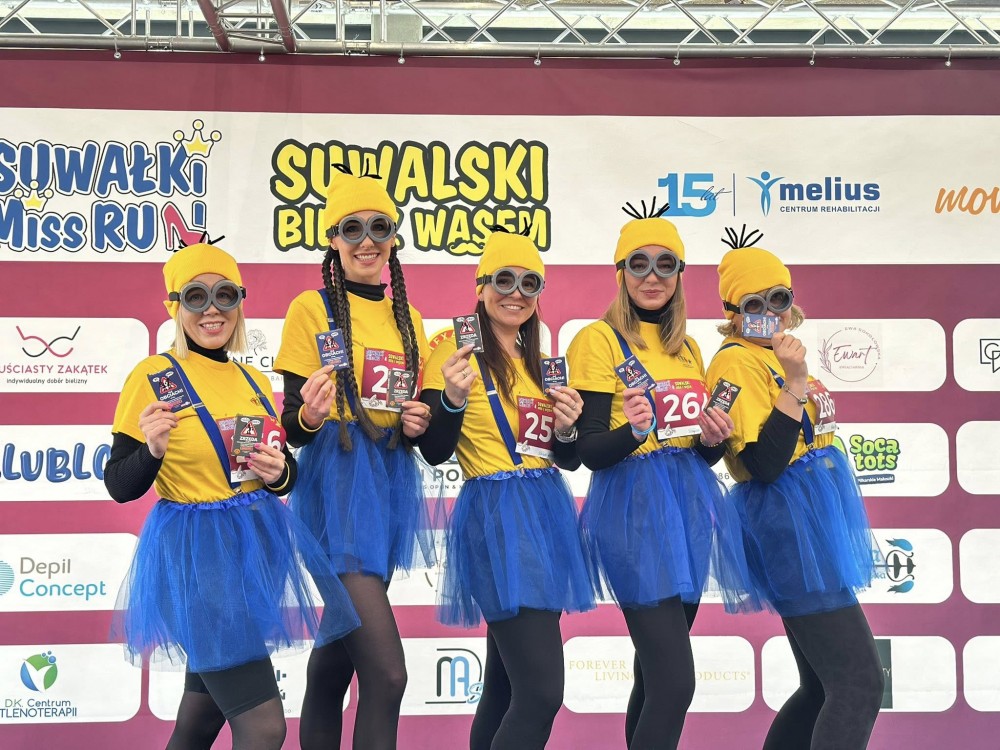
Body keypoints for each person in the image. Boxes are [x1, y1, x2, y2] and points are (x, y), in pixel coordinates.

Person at [105, 239, 359, 750]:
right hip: (200, 566)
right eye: (195, 296)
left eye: (224, 295)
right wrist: (152, 450)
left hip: (252, 561)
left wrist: (277, 472)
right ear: (175, 306)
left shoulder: (251, 377)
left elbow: (281, 472)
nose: (212, 310)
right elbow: (120, 485)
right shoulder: (153, 376)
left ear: (240, 302)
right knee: (263, 726)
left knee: (199, 720)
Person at [566, 200, 748, 750]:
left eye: (665, 264)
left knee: (652, 678)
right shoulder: (597, 340)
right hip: (631, 519)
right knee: (674, 684)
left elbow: (694, 453)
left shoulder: (687, 347)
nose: (652, 276)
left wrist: (711, 441)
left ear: (680, 274)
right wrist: (634, 431)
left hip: (688, 517)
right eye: (638, 263)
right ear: (620, 272)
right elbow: (589, 451)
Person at [274, 166, 433, 750]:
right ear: (333, 239)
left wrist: (416, 423)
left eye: (379, 227)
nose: (367, 240)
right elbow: (292, 424)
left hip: (389, 482)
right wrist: (311, 416)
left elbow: (405, 411)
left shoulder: (409, 319)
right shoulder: (310, 309)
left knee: (335, 660)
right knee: (387, 675)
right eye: (352, 228)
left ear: (394, 236)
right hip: (337, 484)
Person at [705, 225, 883, 750]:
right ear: (733, 313)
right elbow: (762, 464)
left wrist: (795, 375)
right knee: (858, 684)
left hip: (812, 521)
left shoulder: (775, 355)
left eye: (778, 299)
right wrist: (797, 382)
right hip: (787, 526)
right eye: (752, 304)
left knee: (821, 687)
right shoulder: (735, 360)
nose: (769, 313)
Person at [419, 227, 594, 750]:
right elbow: (434, 449)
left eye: (529, 282)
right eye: (504, 279)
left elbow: (566, 458)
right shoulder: (452, 348)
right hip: (498, 518)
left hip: (545, 515)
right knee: (541, 693)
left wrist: (568, 429)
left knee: (504, 689)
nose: (516, 292)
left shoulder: (538, 360)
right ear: (481, 286)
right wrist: (450, 399)